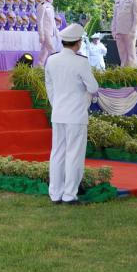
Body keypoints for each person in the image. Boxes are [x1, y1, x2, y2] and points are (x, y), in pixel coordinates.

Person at [44, 23, 99, 204]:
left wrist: (56, 104)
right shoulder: (81, 62)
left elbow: (50, 87)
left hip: (58, 112)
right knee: (74, 154)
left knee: (57, 153)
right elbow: (93, 87)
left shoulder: (51, 60)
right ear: (78, 42)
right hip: (76, 114)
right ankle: (69, 195)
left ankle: (55, 193)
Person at [110, 0, 137, 67]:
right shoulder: (118, 0)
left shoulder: (135, 0)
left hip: (129, 32)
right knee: (122, 54)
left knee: (131, 54)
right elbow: (115, 17)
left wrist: (133, 31)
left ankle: (131, 71)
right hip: (118, 31)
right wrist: (113, 30)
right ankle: (123, 70)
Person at [36, 0, 58, 66]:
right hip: (45, 32)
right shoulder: (42, 6)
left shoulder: (51, 6)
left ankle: (39, 66)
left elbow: (52, 21)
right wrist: (41, 34)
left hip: (50, 32)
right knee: (52, 49)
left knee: (44, 51)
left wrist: (56, 32)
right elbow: (40, 21)